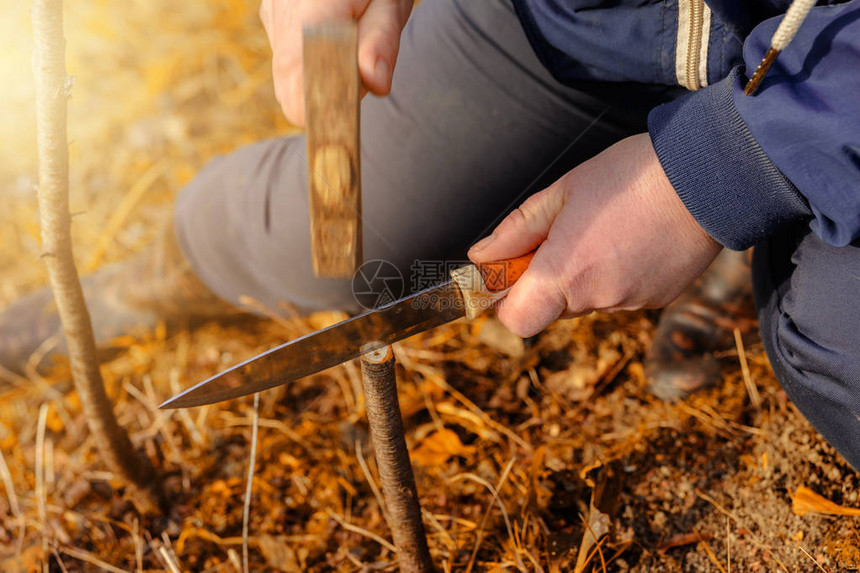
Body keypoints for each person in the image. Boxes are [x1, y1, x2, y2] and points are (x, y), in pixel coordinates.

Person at [1, 0, 858, 470]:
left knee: (840, 349)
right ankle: (158, 275)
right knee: (337, 240)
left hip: (834, 72)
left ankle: (766, 234)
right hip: (592, 25)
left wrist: (722, 168)